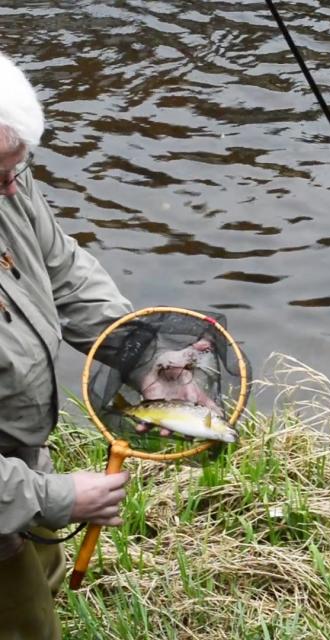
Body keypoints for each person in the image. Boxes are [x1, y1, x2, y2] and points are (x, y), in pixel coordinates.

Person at [0, 52, 133, 639]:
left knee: (45, 575)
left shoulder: (9, 178)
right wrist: (51, 497)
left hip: (20, 462)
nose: (11, 187)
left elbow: (61, 269)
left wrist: (139, 351)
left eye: (17, 169)